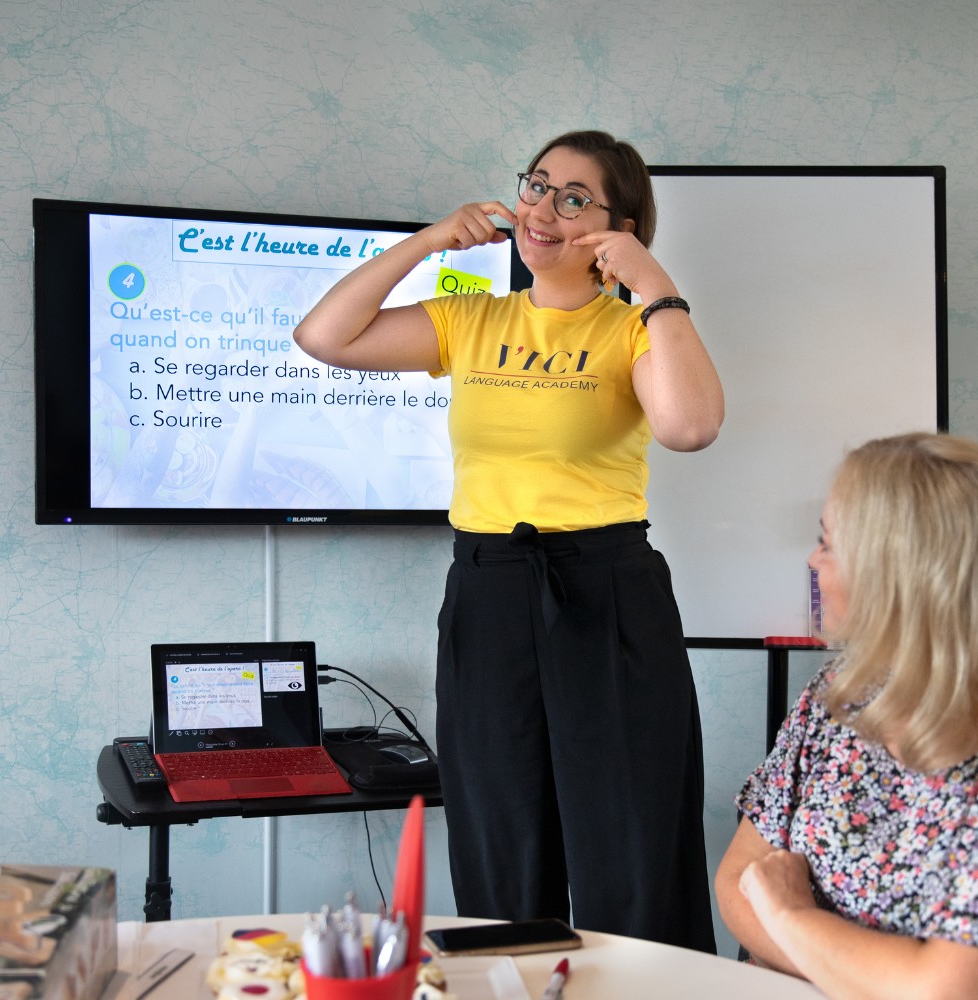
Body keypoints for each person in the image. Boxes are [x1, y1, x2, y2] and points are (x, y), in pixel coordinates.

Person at [294, 130, 723, 950]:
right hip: (489, 586)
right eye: (536, 186)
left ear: (618, 224)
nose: (543, 210)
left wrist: (654, 283)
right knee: (499, 834)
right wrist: (427, 242)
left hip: (607, 591)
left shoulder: (631, 329)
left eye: (574, 197)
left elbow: (691, 425)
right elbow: (324, 337)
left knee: (629, 839)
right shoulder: (471, 319)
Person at [715, 432, 978, 997]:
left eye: (827, 544)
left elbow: (940, 990)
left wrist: (790, 916)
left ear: (893, 573)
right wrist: (869, 970)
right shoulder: (837, 694)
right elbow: (737, 881)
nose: (813, 560)